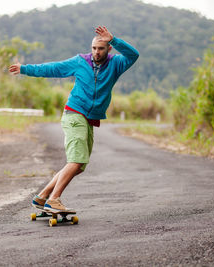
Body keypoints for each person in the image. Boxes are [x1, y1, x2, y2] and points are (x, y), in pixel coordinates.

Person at [8, 26, 139, 213]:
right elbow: (53, 68)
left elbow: (134, 55)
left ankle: (42, 197)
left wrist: (114, 39)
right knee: (76, 159)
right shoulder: (80, 62)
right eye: (94, 48)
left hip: (89, 119)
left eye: (101, 48)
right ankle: (54, 200)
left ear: (109, 49)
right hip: (74, 113)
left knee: (78, 165)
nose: (96, 52)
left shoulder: (116, 64)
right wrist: (25, 69)